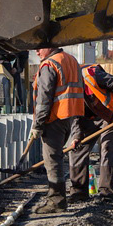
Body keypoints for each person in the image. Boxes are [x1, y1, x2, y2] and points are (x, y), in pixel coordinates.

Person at [30, 45, 85, 214]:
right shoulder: (71, 60)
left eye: (39, 49)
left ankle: (56, 201)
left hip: (54, 117)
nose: (37, 52)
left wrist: (38, 124)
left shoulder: (49, 65)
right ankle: (58, 199)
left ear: (49, 47)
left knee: (52, 159)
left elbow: (44, 98)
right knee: (57, 158)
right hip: (69, 116)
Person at [69, 63, 113, 200]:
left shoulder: (91, 75)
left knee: (107, 149)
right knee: (77, 149)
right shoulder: (68, 89)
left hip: (110, 116)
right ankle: (78, 192)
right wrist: (76, 136)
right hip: (87, 119)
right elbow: (73, 115)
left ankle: (107, 192)